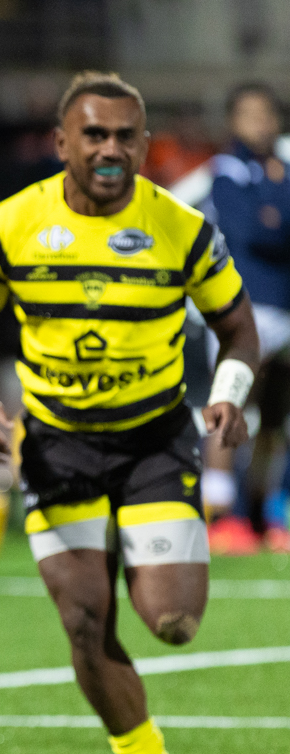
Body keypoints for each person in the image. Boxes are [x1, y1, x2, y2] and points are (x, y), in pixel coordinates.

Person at [0, 72, 258, 754]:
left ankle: (138, 545)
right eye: (95, 134)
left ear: (145, 146)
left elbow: (237, 326)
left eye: (125, 136)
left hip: (153, 441)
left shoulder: (180, 226)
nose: (111, 149)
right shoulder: (13, 224)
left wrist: (228, 393)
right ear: (62, 143)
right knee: (84, 619)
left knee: (173, 622)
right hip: (57, 445)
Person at [203, 83, 290, 553]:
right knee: (230, 410)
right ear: (233, 123)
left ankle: (264, 510)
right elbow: (249, 232)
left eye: (268, 113)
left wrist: (275, 220)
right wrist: (274, 222)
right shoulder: (227, 171)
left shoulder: (286, 170)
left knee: (276, 419)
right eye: (250, 115)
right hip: (245, 311)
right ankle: (221, 515)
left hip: (286, 306)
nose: (262, 122)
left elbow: (271, 227)